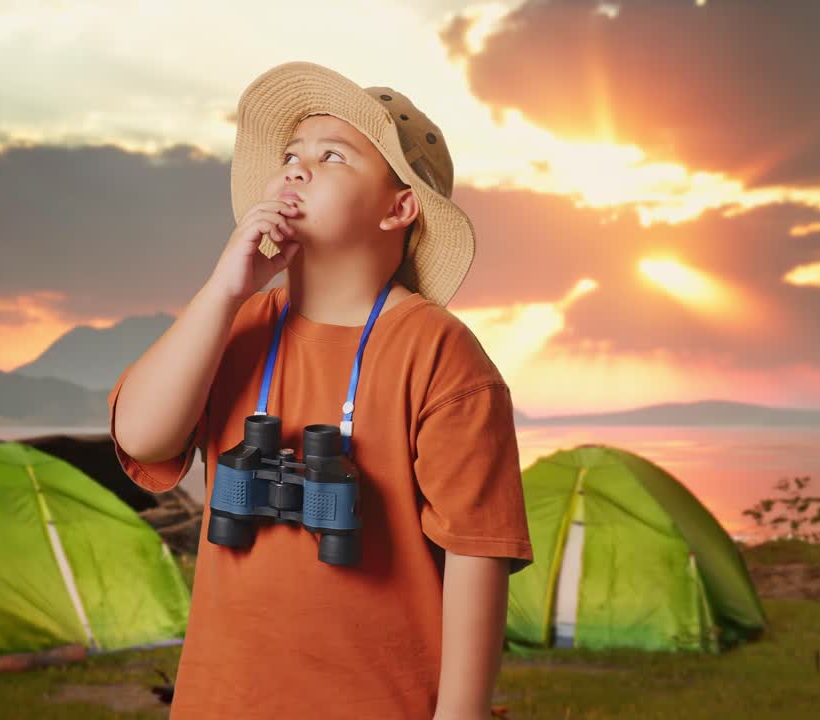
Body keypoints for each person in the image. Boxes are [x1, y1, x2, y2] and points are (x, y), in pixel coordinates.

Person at [108, 61, 533, 719]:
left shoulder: (438, 354)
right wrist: (227, 289)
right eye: (290, 155)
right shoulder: (237, 324)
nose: (296, 169)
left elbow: (475, 558)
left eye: (332, 155)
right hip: (221, 701)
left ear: (399, 207)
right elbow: (142, 436)